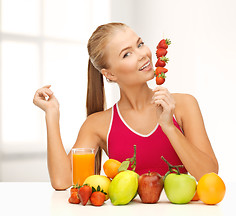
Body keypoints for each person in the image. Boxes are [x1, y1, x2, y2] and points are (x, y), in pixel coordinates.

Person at [33, 22, 218, 190]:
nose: (142, 55)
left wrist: (169, 127)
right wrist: (52, 114)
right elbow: (62, 181)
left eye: (140, 44)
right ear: (110, 74)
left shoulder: (183, 105)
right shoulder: (97, 124)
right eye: (127, 54)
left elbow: (209, 174)